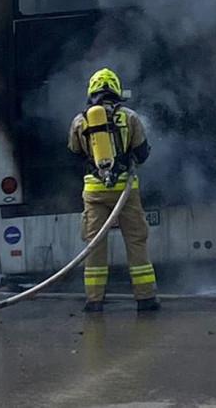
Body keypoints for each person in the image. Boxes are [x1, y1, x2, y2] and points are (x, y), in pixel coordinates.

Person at [68, 68, 159, 313]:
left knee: (94, 245)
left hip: (94, 193)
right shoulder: (129, 116)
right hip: (126, 192)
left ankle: (94, 300)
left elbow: (75, 153)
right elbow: (141, 154)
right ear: (116, 89)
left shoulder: (81, 120)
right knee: (136, 241)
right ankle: (145, 298)